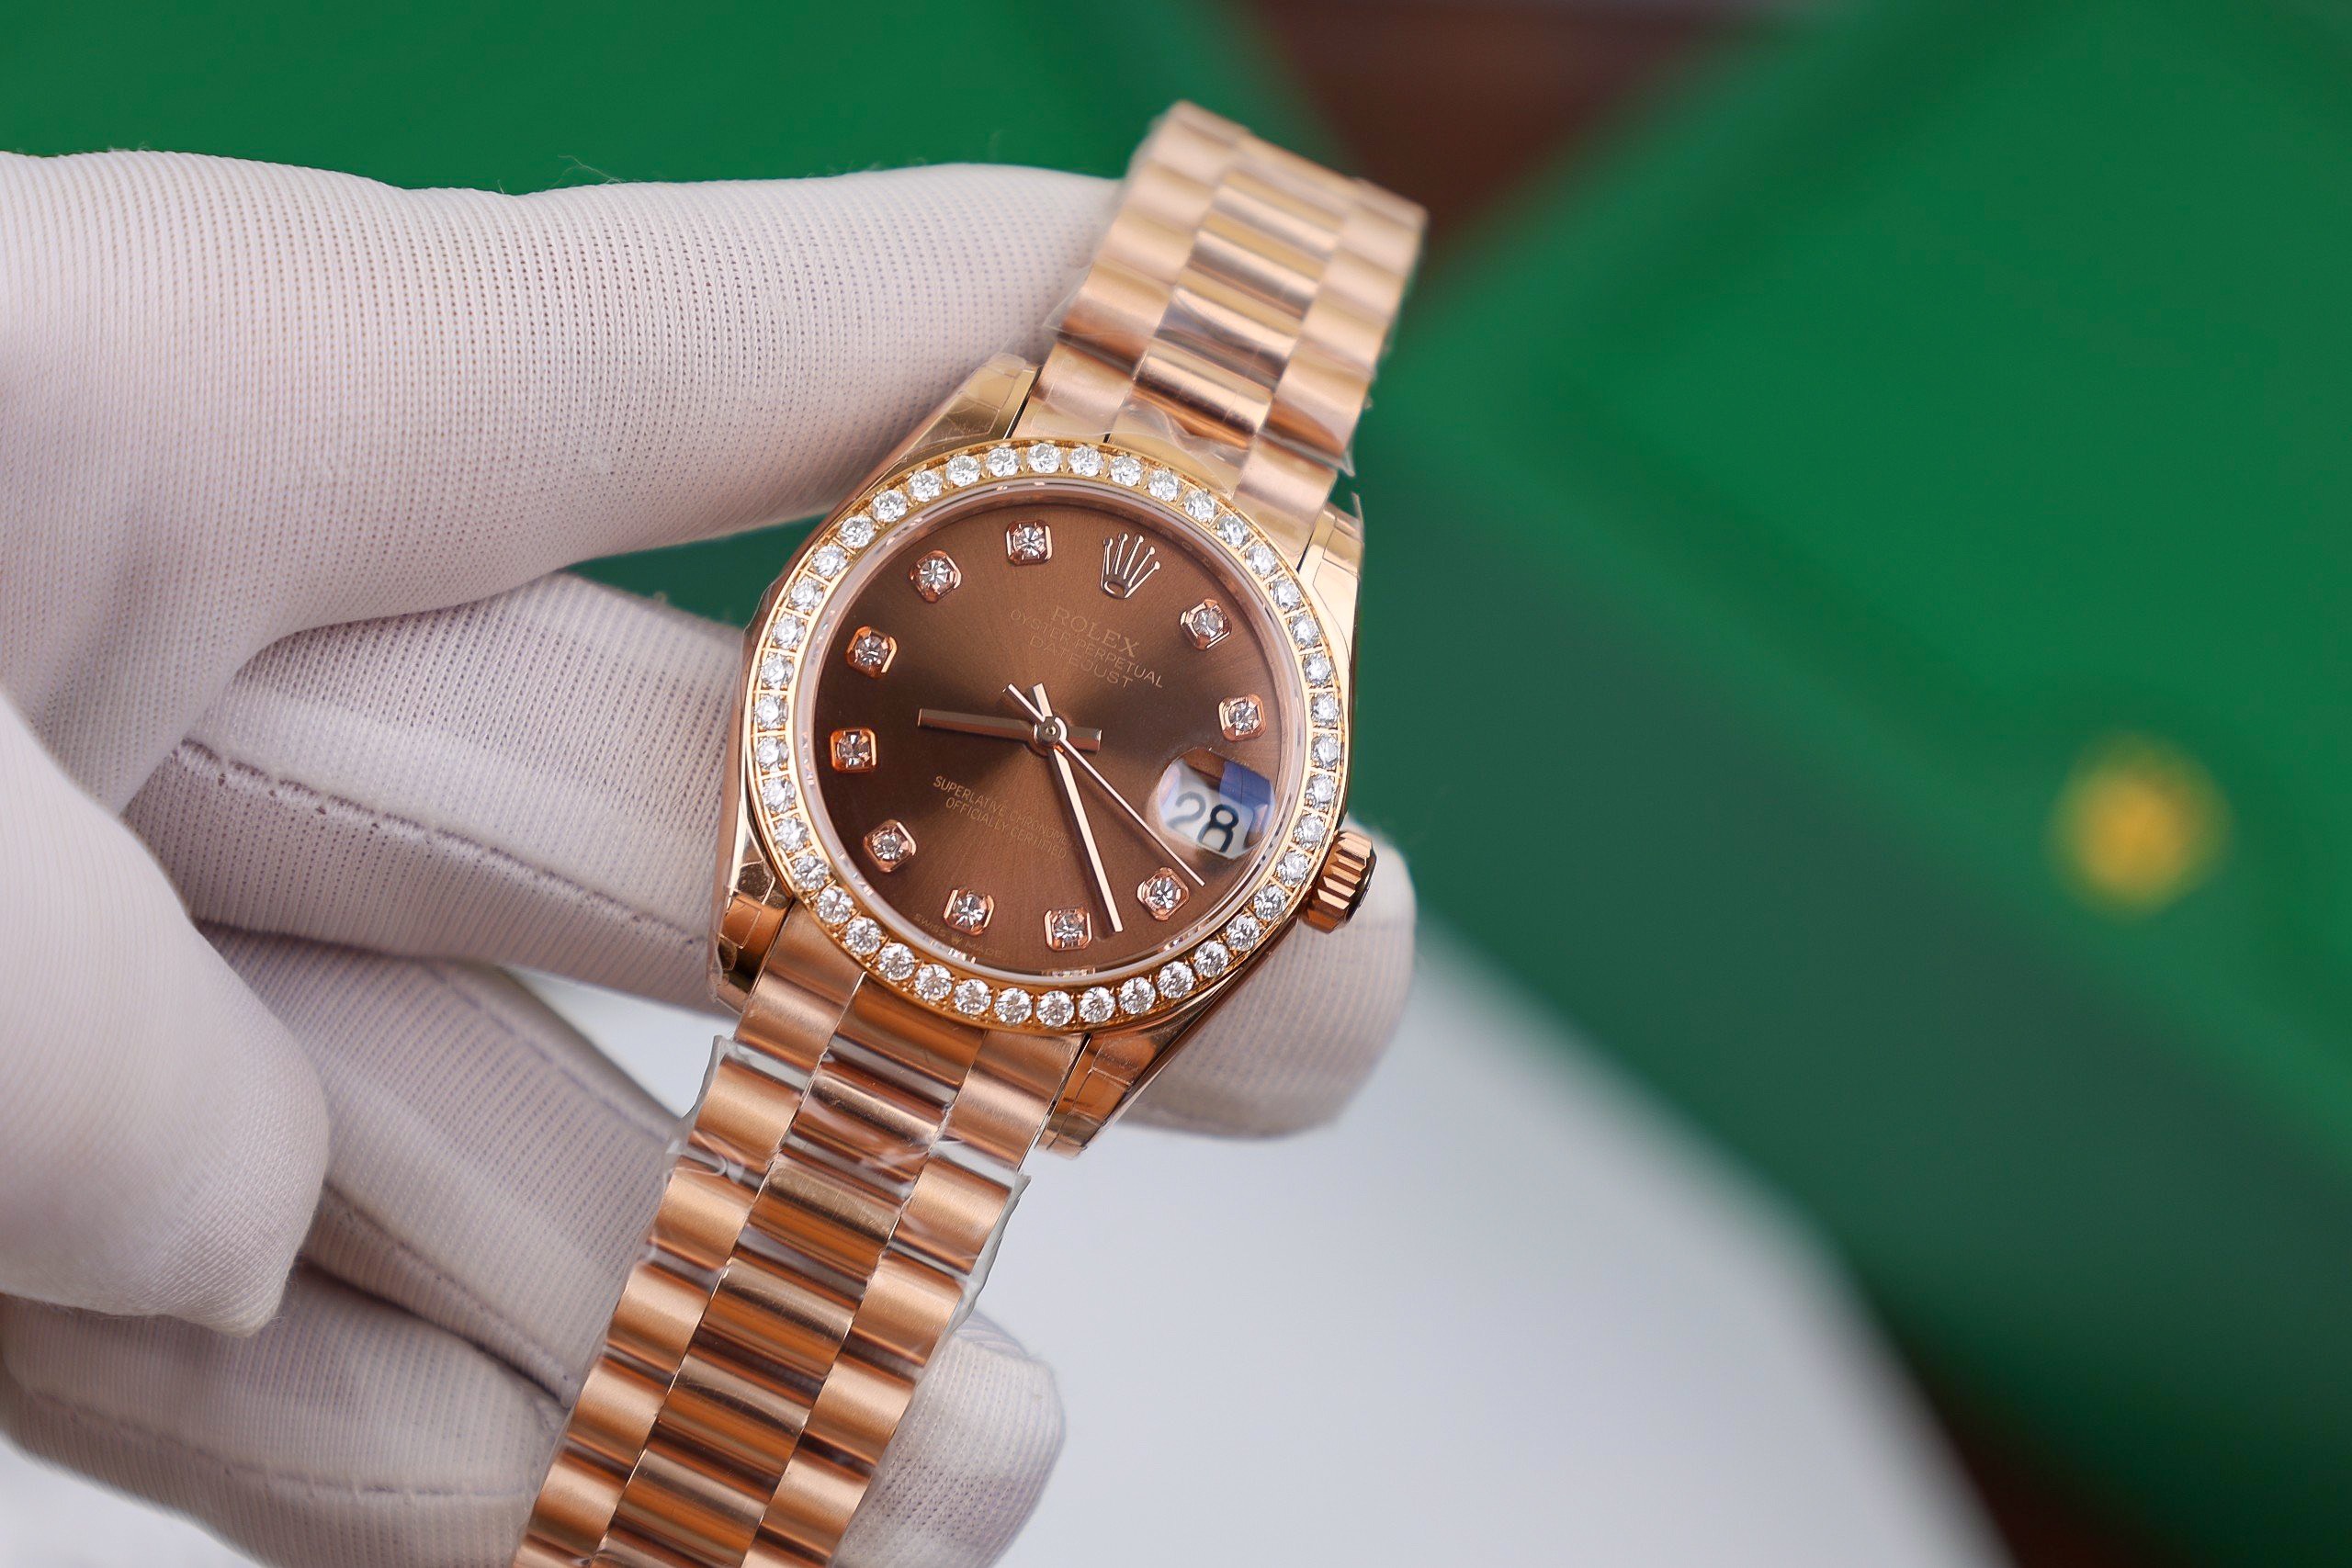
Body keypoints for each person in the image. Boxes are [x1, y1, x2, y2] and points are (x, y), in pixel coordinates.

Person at [0, 150, 1416, 1565]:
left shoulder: (1251, 681)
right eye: (1043, 718)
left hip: (973, 937)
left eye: (1070, 729)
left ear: (1310, 869)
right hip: (865, 872)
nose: (1053, 729)